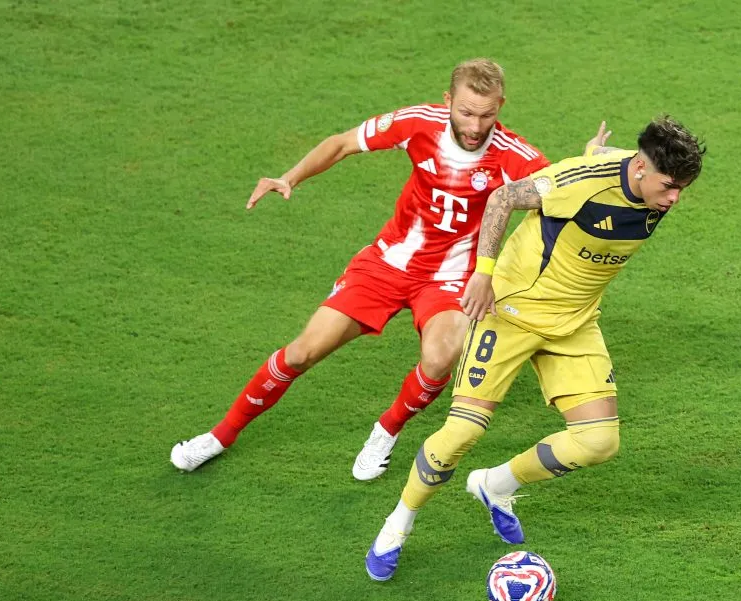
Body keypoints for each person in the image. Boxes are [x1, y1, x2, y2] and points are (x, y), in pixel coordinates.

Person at [170, 59, 550, 478]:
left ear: (501, 105)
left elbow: (562, 187)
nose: (476, 126)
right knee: (302, 352)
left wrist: (591, 164)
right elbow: (341, 143)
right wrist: (289, 178)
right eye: (466, 112)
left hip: (450, 279)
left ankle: (386, 431)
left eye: (487, 114)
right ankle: (220, 435)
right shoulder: (418, 123)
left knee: (441, 358)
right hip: (387, 263)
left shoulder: (513, 153)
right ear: (448, 101)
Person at [364, 115, 706, 581]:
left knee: (599, 442)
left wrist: (597, 152)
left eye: (683, 187)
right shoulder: (578, 184)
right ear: (643, 169)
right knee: (461, 434)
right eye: (670, 186)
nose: (675, 199)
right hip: (510, 312)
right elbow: (503, 197)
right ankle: (398, 523)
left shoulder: (644, 178)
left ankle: (495, 484)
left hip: (574, 324)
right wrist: (483, 274)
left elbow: (616, 163)